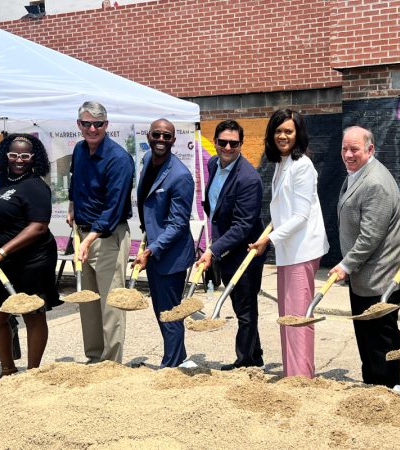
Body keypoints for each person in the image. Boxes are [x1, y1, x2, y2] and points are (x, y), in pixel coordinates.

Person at [249, 109, 329, 378]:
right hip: (288, 251)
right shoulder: (282, 163)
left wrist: (267, 240)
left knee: (297, 318)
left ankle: (300, 379)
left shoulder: (303, 166)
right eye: (278, 131)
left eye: (289, 131)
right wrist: (270, 235)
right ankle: (293, 373)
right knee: (288, 316)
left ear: (298, 134)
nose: (283, 136)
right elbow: (283, 211)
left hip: (301, 251)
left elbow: (300, 216)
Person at [0, 133, 62, 379]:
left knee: (32, 313)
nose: (19, 160)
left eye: (25, 155)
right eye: (13, 155)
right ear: (6, 155)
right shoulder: (2, 179)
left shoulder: (35, 186)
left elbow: (38, 226)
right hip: (3, 262)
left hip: (33, 260)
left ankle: (32, 375)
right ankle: (8, 370)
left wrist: (2, 251)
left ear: (34, 158)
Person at [328, 126, 400, 387]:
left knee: (380, 342)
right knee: (367, 339)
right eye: (345, 149)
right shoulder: (356, 173)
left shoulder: (375, 182)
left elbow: (371, 236)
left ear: (370, 149)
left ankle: (386, 392)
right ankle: (372, 389)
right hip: (365, 277)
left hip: (379, 278)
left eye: (355, 149)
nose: (348, 154)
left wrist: (345, 265)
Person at [68, 101, 134, 364]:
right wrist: (73, 205)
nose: (92, 129)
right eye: (86, 123)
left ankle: (112, 364)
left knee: (111, 304)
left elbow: (114, 207)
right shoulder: (79, 150)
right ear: (79, 125)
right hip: (83, 234)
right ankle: (94, 359)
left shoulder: (119, 159)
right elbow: (75, 181)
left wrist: (90, 239)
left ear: (107, 125)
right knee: (89, 303)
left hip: (108, 237)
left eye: (98, 124)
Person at [196, 120, 265, 371]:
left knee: (245, 310)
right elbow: (213, 206)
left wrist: (212, 250)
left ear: (241, 145)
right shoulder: (213, 164)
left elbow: (243, 226)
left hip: (245, 252)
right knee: (240, 306)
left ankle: (246, 362)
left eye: (233, 143)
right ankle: (255, 355)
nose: (227, 147)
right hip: (224, 248)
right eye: (223, 142)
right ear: (214, 141)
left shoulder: (249, 179)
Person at [134, 119, 195, 368]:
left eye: (166, 136)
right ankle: (178, 359)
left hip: (171, 256)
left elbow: (178, 225)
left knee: (170, 313)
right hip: (155, 250)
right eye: (157, 134)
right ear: (148, 136)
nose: (161, 140)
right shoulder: (148, 160)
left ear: (174, 140)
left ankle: (170, 366)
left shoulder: (181, 176)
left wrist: (152, 249)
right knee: (162, 310)